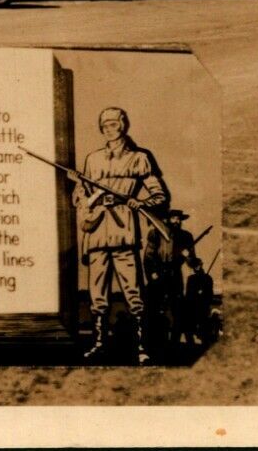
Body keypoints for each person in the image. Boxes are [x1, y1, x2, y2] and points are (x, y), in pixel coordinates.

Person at [75, 106, 169, 363]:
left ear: (123, 125)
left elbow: (159, 194)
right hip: (95, 234)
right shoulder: (92, 159)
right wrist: (83, 198)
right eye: (104, 124)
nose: (109, 128)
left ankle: (141, 347)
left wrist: (141, 203)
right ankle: (98, 343)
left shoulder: (139, 158)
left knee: (133, 291)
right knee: (97, 294)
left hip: (123, 233)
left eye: (113, 123)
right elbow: (81, 194)